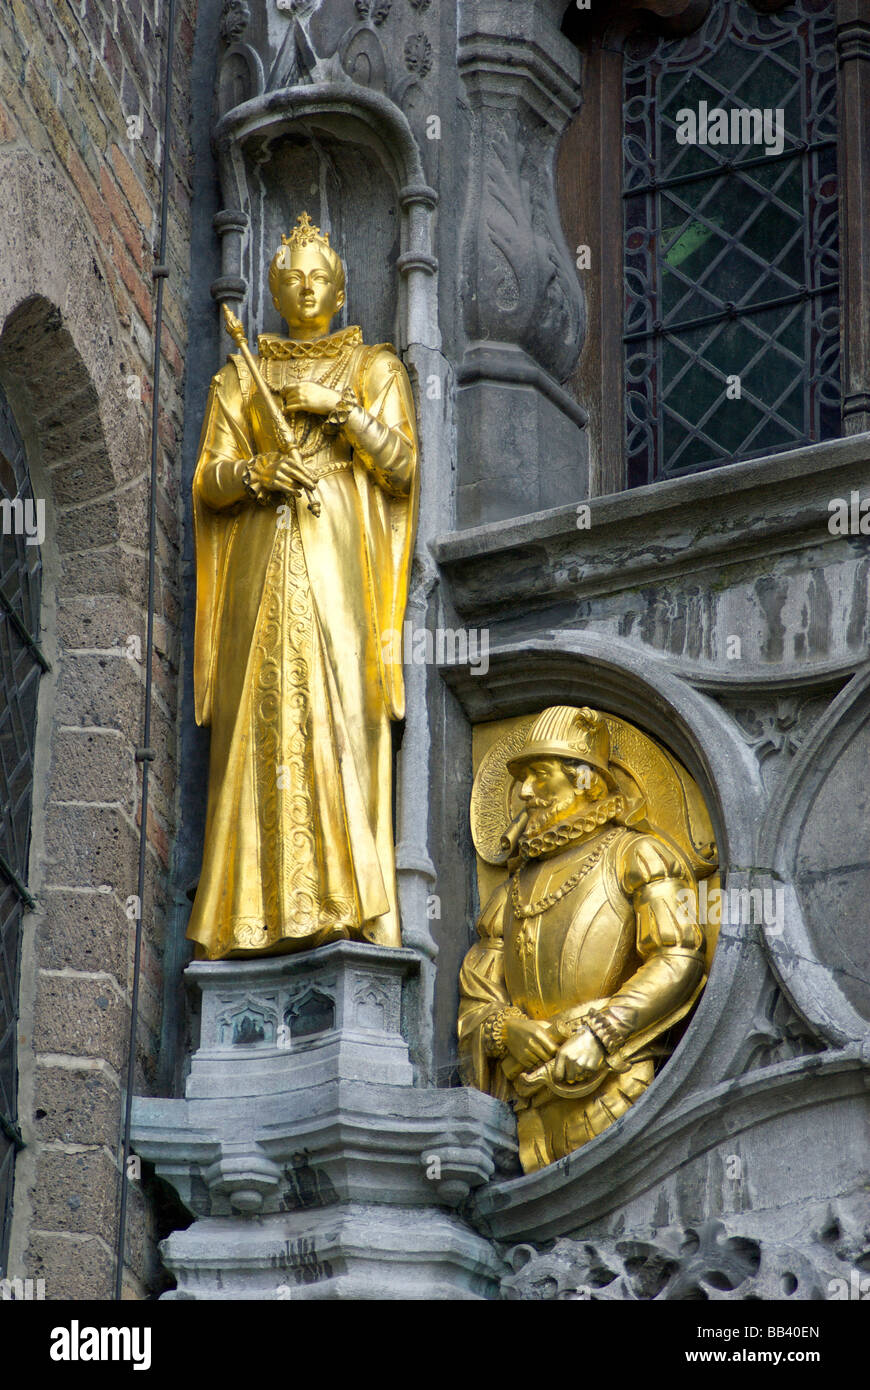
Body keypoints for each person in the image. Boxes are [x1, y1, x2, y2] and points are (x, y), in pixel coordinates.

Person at [187, 212, 418, 959]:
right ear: (278, 290)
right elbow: (207, 481)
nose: (308, 288)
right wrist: (257, 471)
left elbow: (402, 467)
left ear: (343, 288)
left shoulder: (374, 368)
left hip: (340, 567)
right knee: (258, 717)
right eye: (293, 279)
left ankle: (351, 903)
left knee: (342, 718)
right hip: (261, 562)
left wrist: (340, 411)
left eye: (321, 278)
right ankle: (243, 915)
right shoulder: (239, 373)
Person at [458, 705, 707, 1172]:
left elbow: (678, 957)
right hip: (528, 1109)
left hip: (615, 1087)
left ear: (586, 779)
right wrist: (502, 1029)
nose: (526, 793)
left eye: (539, 774)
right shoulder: (509, 889)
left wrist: (599, 1034)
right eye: (521, 780)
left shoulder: (638, 854)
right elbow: (478, 993)